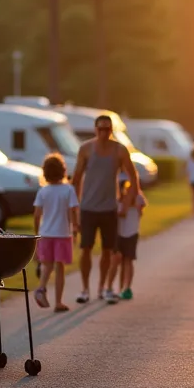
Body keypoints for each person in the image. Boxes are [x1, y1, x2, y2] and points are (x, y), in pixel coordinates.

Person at [72, 114, 139, 304]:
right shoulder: (86, 149)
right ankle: (85, 289)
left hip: (109, 208)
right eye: (100, 129)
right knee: (85, 248)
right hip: (88, 207)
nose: (104, 133)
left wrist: (126, 203)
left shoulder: (119, 150)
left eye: (107, 129)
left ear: (111, 130)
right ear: (95, 129)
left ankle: (102, 288)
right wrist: (75, 209)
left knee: (108, 250)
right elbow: (76, 180)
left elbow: (133, 178)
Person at [33, 154, 78, 312]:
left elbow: (37, 215)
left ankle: (41, 287)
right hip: (62, 234)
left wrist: (37, 234)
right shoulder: (69, 189)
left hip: (45, 234)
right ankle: (58, 302)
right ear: (63, 171)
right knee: (60, 268)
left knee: (47, 265)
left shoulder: (43, 191)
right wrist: (75, 228)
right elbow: (72, 211)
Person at [110, 179, 146, 302]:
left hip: (132, 233)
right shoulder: (118, 201)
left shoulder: (138, 199)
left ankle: (126, 288)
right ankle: (110, 287)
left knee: (128, 261)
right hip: (119, 234)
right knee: (116, 260)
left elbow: (141, 208)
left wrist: (132, 204)